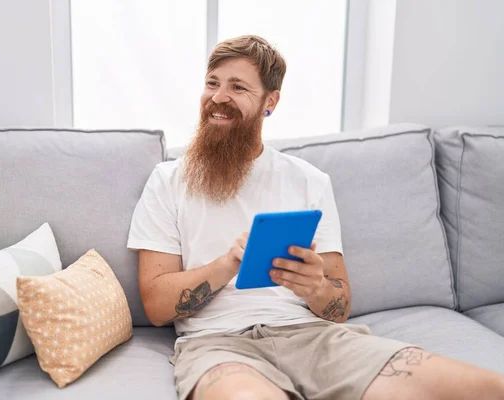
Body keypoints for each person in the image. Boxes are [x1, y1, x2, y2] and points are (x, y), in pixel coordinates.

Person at [127, 35, 504, 400]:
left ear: (270, 102)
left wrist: (315, 288)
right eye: (212, 83)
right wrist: (228, 264)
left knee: (485, 389)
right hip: (217, 345)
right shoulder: (168, 180)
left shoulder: (308, 180)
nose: (219, 97)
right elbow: (158, 308)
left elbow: (338, 305)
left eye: (238, 87)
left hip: (314, 337)